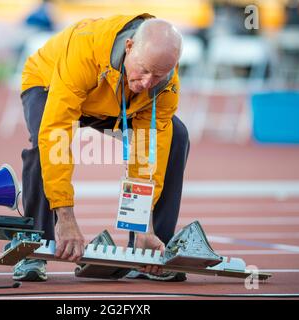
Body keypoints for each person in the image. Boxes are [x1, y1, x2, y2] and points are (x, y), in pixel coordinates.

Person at [14, 14, 190, 282]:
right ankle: (34, 247)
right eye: (143, 70)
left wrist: (143, 221)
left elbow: (146, 156)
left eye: (158, 75)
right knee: (44, 140)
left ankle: (148, 247)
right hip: (50, 82)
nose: (146, 83)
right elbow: (55, 133)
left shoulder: (164, 87)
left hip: (112, 102)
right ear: (130, 46)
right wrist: (65, 214)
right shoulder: (86, 49)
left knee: (176, 135)